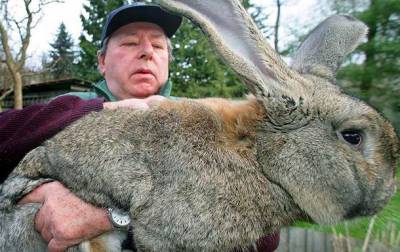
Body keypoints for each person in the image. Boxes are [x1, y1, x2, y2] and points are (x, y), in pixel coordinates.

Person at [0, 2, 280, 251]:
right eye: (130, 43)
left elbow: (265, 236)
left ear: (169, 60)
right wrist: (105, 110)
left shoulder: (200, 121)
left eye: (158, 46)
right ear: (101, 62)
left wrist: (109, 217)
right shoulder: (67, 109)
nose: (147, 52)